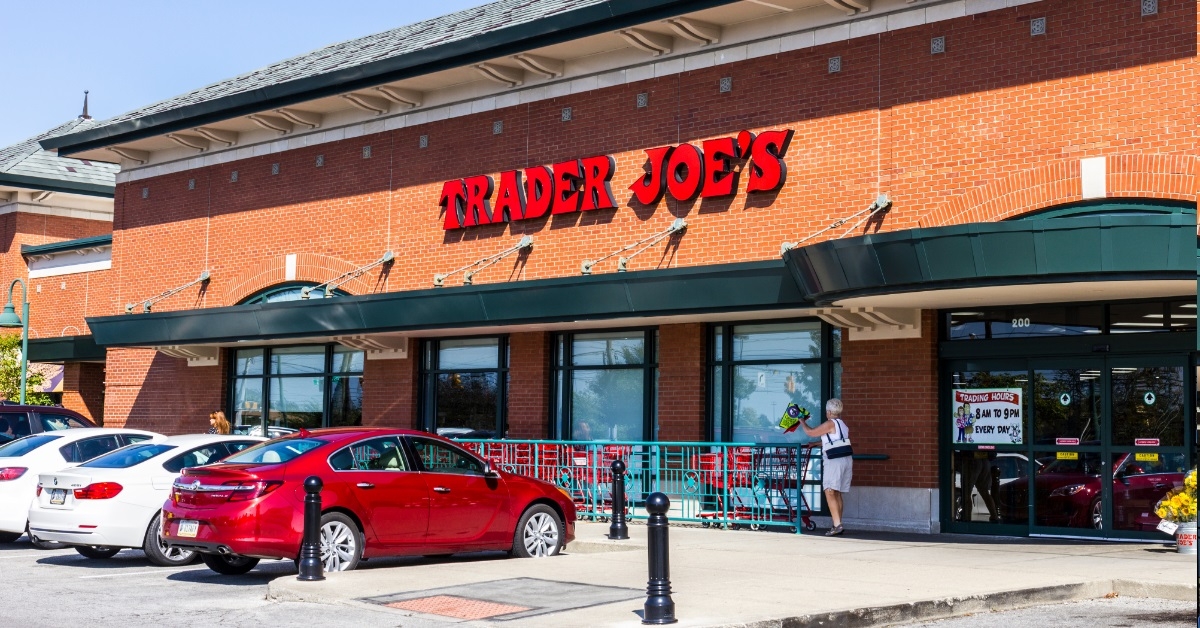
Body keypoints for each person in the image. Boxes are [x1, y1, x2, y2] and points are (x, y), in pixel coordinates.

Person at [797, 398, 852, 536]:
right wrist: (815, 444)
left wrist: (802, 421)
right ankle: (838, 523)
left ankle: (837, 524)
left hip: (834, 461)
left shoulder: (830, 423)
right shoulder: (842, 424)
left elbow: (810, 432)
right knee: (837, 492)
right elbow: (834, 441)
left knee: (829, 491)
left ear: (829, 411)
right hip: (846, 459)